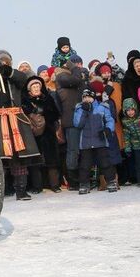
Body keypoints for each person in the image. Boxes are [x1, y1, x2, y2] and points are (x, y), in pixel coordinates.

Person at [0, 50, 42, 200]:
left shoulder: (15, 78)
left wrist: (8, 72)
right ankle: (2, 190)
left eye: (6, 62)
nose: (4, 64)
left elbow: (23, 79)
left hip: (17, 121)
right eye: (1, 62)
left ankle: (21, 190)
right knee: (1, 158)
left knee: (19, 157)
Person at [73, 89, 117, 194]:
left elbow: (110, 120)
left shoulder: (102, 107)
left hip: (100, 140)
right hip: (85, 142)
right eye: (84, 97)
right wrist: (84, 111)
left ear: (93, 98)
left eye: (89, 97)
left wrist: (108, 129)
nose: (86, 99)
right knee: (85, 165)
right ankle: (84, 184)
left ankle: (111, 181)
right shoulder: (79, 109)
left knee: (105, 162)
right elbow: (77, 124)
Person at [22, 76, 61, 193]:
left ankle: (55, 185)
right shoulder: (25, 101)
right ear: (29, 89)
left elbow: (55, 114)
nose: (36, 88)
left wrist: (45, 114)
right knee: (35, 162)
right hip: (33, 134)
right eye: (34, 87)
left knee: (52, 161)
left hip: (48, 133)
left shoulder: (48, 98)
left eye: (38, 86)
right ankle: (37, 186)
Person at [54, 60, 86, 190]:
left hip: (77, 119)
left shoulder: (71, 83)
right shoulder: (62, 77)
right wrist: (74, 67)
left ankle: (81, 178)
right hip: (72, 121)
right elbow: (77, 79)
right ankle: (74, 181)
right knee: (73, 151)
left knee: (79, 150)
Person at [121, 99, 140, 186]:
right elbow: (127, 136)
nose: (130, 112)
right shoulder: (125, 121)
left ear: (135, 109)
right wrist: (128, 148)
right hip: (136, 146)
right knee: (139, 164)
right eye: (128, 110)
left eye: (132, 110)